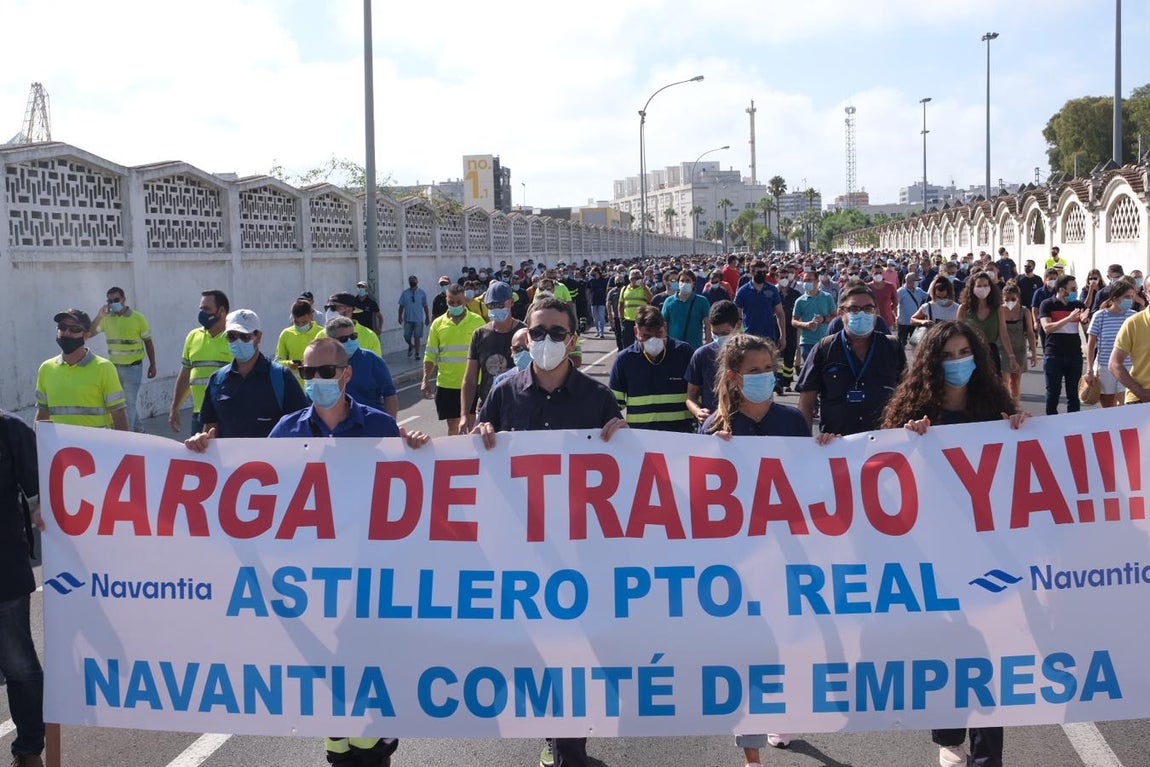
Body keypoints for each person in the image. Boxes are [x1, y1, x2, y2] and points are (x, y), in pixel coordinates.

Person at [470, 296, 627, 767]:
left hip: (580, 550)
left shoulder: (597, 398)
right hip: (523, 550)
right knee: (538, 651)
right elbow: (480, 458)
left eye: (556, 333)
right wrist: (478, 437)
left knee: (575, 652)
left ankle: (570, 748)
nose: (546, 341)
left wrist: (625, 441)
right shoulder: (503, 394)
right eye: (537, 333)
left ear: (572, 339)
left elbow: (625, 472)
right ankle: (556, 737)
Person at [268, 336, 426, 767]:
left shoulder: (380, 427)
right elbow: (252, 490)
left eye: (326, 372)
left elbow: (410, 493)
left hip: (370, 578)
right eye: (308, 372)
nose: (316, 380)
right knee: (328, 676)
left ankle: (374, 744)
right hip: (313, 583)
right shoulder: (285, 432)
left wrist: (418, 452)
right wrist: (204, 456)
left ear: (346, 374)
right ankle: (337, 742)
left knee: (370, 669)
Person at [880, 320, 1025, 767]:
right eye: (947, 356)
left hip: (990, 550)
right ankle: (948, 734)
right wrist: (907, 439)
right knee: (948, 646)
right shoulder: (913, 410)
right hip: (934, 554)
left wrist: (1021, 428)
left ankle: (987, 758)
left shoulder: (995, 406)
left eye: (965, 354)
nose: (957, 363)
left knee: (990, 651)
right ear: (930, 362)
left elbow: (1023, 467)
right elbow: (881, 473)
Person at [184, 310, 308, 449]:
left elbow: (302, 426)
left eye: (244, 336)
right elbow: (209, 430)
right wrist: (201, 440)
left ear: (258, 336)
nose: (238, 342)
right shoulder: (216, 380)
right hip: (230, 462)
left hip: (271, 460)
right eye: (232, 336)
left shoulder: (281, 377)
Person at [795, 284, 906, 435]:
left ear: (876, 312)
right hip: (836, 442)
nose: (862, 314)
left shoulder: (892, 347)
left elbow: (907, 395)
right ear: (841, 313)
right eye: (854, 309)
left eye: (868, 309)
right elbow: (806, 402)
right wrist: (805, 441)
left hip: (883, 441)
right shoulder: (825, 349)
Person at [0, 410, 45, 767]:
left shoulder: (10, 430)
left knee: (18, 666)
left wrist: (42, 512)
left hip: (5, 571)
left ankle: (29, 750)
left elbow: (43, 491)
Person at [36, 309, 128, 430]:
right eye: (62, 327)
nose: (66, 333)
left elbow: (118, 414)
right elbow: (42, 413)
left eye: (75, 329)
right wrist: (34, 439)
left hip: (96, 441)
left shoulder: (104, 368)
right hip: (60, 442)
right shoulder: (46, 368)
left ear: (86, 336)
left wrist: (123, 442)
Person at [609, 306, 695, 432]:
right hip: (641, 439)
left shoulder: (684, 353)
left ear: (665, 328)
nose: (653, 341)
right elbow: (613, 406)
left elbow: (700, 397)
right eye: (646, 336)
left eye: (658, 334)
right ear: (636, 331)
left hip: (681, 437)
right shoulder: (624, 360)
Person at [90, 286, 157, 432]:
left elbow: (148, 341)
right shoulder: (106, 319)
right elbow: (88, 334)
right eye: (110, 301)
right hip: (114, 368)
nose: (113, 303)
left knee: (128, 405)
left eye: (116, 300)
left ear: (124, 299)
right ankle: (140, 431)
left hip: (133, 368)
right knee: (126, 403)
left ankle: (128, 437)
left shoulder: (138, 318)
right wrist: (99, 316)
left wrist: (153, 364)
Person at [461, 281, 526, 430]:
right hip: (487, 410)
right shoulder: (479, 335)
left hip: (519, 407)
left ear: (511, 302)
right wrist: (464, 414)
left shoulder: (524, 333)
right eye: (491, 306)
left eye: (499, 305)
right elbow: (470, 379)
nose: (495, 309)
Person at [423, 284, 486, 435]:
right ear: (446, 300)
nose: (455, 305)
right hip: (447, 384)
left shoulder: (477, 321)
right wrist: (425, 379)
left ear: (464, 300)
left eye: (458, 302)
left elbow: (485, 352)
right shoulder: (437, 324)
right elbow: (430, 354)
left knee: (472, 426)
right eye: (451, 302)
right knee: (453, 427)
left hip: (473, 383)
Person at [170, 289, 233, 435]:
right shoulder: (193, 337)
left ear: (221, 311)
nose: (202, 313)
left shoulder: (234, 338)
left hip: (227, 415)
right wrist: (175, 407)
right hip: (199, 415)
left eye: (206, 309)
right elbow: (185, 375)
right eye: (201, 309)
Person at [325, 316, 399, 417]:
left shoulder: (372, 360)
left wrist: (390, 423)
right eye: (344, 339)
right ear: (330, 340)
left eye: (353, 336)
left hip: (371, 423)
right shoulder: (324, 364)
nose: (350, 341)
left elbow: (390, 394)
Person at [1039, 274, 1088, 414]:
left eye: (1076, 289)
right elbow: (1047, 327)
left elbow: (1087, 331)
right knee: (1053, 394)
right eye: (1073, 289)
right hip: (1054, 355)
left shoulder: (1079, 305)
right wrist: (1068, 318)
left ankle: (1073, 424)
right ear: (1061, 290)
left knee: (1073, 395)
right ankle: (1051, 422)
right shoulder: (1047, 304)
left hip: (1074, 355)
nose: (1075, 292)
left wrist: (1085, 320)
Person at [686, 300, 740, 426]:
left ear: (738, 325)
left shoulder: (752, 354)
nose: (720, 338)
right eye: (715, 334)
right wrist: (697, 411)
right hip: (712, 425)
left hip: (743, 427)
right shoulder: (701, 355)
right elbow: (690, 398)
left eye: (725, 333)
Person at [1086, 278, 1137, 408]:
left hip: (1128, 368)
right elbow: (1091, 346)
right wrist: (1089, 370)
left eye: (1132, 296)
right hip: (1105, 368)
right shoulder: (1100, 316)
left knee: (1125, 406)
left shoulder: (1134, 316)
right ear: (1115, 298)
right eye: (1126, 297)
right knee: (1108, 408)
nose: (1130, 300)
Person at [957, 273, 1017, 376]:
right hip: (969, 353)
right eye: (979, 286)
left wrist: (1011, 356)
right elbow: (958, 334)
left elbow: (1003, 334)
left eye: (985, 285)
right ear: (972, 288)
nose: (983, 289)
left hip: (991, 352)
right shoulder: (963, 309)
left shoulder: (997, 309)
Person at [734, 260, 786, 350]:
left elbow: (780, 313)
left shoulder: (772, 289)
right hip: (749, 336)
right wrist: (736, 335)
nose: (762, 274)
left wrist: (783, 337)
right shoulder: (743, 291)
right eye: (759, 272)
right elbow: (737, 314)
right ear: (752, 272)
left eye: (764, 272)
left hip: (769, 336)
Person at [1000, 282, 1038, 403]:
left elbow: (1030, 333)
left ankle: (1015, 405)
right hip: (1003, 349)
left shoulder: (1024, 311)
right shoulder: (1000, 310)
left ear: (1018, 298)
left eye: (1013, 299)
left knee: (1015, 382)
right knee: (1004, 381)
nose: (1009, 302)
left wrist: (1034, 353)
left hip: (1019, 349)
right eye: (1006, 299)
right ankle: (1005, 405)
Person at [275, 298, 323, 386]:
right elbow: (277, 361)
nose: (300, 325)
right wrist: (289, 363)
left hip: (317, 385)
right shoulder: (286, 334)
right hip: (294, 386)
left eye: (304, 322)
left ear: (311, 316)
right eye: (296, 322)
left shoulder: (322, 333)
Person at [661, 269, 712, 349]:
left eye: (688, 280)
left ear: (693, 283)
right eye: (682, 281)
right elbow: (664, 324)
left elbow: (708, 325)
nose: (684, 283)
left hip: (694, 347)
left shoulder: (702, 301)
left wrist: (708, 344)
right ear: (678, 283)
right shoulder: (669, 301)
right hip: (673, 347)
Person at [792, 270, 836, 362]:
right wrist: (806, 325)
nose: (806, 283)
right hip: (807, 342)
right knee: (810, 368)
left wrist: (823, 319)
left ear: (817, 281)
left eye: (809, 280)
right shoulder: (800, 301)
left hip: (825, 340)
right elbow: (794, 321)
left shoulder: (827, 297)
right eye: (804, 280)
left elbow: (835, 317)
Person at [397, 274, 431, 359]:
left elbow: (425, 306)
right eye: (411, 281)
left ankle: (417, 353)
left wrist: (427, 317)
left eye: (414, 280)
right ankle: (410, 345)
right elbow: (401, 306)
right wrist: (399, 316)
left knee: (417, 336)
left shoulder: (422, 293)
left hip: (418, 319)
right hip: (408, 319)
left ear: (417, 281)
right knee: (406, 336)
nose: (413, 282)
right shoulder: (405, 293)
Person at [618, 269, 652, 348]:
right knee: (627, 343)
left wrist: (645, 288)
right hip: (628, 320)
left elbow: (650, 299)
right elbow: (621, 304)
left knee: (643, 342)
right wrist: (621, 319)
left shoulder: (644, 288)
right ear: (630, 279)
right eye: (636, 278)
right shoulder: (624, 289)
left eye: (639, 278)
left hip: (641, 320)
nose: (638, 280)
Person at [894, 273, 929, 347]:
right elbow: (895, 304)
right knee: (901, 343)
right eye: (916, 281)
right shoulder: (900, 291)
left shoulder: (919, 290)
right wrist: (895, 316)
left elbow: (928, 296)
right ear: (910, 281)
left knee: (916, 343)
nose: (917, 282)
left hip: (915, 321)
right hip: (903, 322)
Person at [587, 267, 609, 338]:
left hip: (602, 301)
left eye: (592, 271)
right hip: (593, 301)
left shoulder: (604, 280)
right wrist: (589, 299)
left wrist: (607, 298)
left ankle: (601, 332)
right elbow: (588, 291)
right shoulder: (591, 281)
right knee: (595, 319)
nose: (591, 273)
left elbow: (606, 290)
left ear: (596, 272)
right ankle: (597, 331)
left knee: (601, 317)